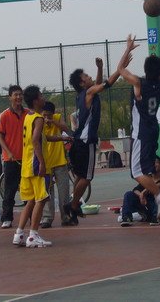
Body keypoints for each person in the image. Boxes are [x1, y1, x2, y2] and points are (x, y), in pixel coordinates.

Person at [117, 31, 160, 222]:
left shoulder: (138, 83)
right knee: (147, 170)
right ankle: (158, 200)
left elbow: (120, 69)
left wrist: (128, 48)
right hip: (153, 130)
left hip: (141, 133)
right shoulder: (159, 82)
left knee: (136, 172)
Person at [66, 57, 121, 224]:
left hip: (78, 141)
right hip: (86, 141)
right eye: (86, 76)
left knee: (80, 176)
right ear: (82, 83)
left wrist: (100, 68)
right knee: (87, 177)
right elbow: (106, 84)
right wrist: (121, 69)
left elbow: (97, 85)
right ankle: (73, 205)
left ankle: (72, 205)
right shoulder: (89, 93)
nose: (89, 76)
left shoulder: (82, 95)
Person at [12, 85, 52, 248]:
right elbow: (35, 140)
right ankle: (33, 236)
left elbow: (36, 139)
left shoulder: (27, 116)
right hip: (36, 164)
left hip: (26, 165)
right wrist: (42, 162)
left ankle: (19, 234)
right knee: (41, 199)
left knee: (30, 200)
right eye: (41, 96)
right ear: (36, 100)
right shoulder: (38, 118)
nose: (43, 98)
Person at [40, 101, 73, 229]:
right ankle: (47, 218)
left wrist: (53, 121)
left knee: (64, 190)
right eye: (44, 115)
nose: (46, 117)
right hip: (46, 162)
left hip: (60, 161)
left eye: (49, 115)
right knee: (48, 192)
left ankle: (66, 217)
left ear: (53, 114)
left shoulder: (57, 118)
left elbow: (66, 128)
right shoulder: (39, 121)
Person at [0, 85, 26, 229]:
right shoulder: (4, 115)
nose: (18, 97)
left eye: (20, 94)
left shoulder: (28, 114)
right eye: (15, 95)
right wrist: (8, 152)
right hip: (11, 160)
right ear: (10, 97)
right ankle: (7, 218)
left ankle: (31, 216)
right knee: (10, 190)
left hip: (27, 158)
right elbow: (0, 137)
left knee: (28, 190)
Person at [120, 157, 160, 227]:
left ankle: (156, 217)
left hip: (156, 205)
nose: (153, 164)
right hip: (146, 204)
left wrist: (145, 190)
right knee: (128, 194)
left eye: (156, 162)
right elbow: (135, 189)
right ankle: (127, 218)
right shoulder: (147, 177)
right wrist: (140, 195)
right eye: (152, 163)